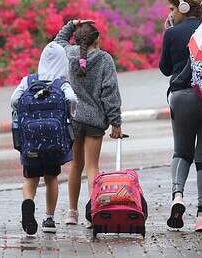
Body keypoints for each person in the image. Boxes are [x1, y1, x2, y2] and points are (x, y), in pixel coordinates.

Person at [54, 19, 123, 226]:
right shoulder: (104, 59)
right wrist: (116, 122)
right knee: (93, 166)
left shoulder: (69, 54)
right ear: (97, 39)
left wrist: (72, 24)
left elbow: (58, 41)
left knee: (75, 165)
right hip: (94, 120)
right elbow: (110, 92)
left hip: (73, 118)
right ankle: (95, 212)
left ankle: (71, 213)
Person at [159, 0, 202, 232]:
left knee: (181, 151)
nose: (170, 12)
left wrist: (168, 33)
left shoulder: (172, 33)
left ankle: (177, 195)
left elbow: (165, 69)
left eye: (172, 8)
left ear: (182, 8)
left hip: (180, 97)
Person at [10, 42, 78, 235]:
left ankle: (28, 203)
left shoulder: (28, 81)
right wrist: (70, 113)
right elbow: (72, 100)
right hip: (54, 144)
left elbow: (14, 100)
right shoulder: (61, 84)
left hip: (30, 142)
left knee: (30, 178)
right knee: (51, 178)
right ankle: (49, 218)